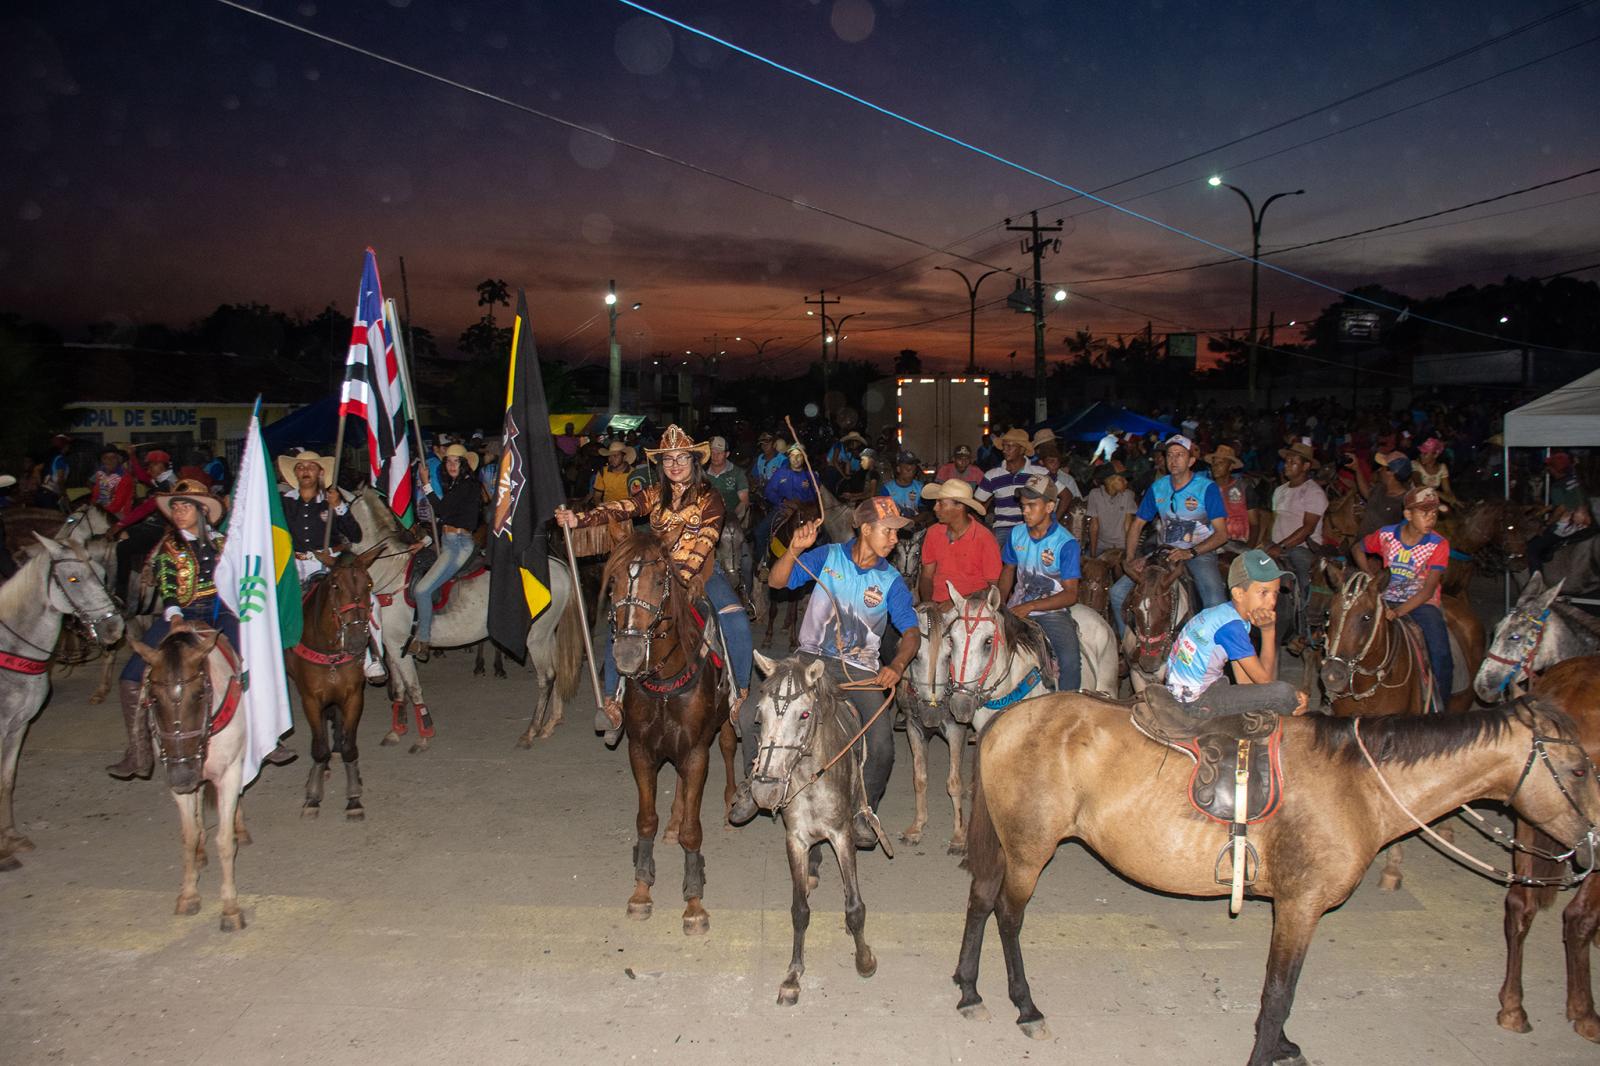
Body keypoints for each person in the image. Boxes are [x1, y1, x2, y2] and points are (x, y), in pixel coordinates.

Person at [731, 497, 919, 844]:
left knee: (882, 746)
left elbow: (910, 632)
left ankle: (865, 811)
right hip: (808, 660)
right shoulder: (827, 557)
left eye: (897, 533)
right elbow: (776, 582)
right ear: (865, 528)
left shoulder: (891, 580)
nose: (895, 539)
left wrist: (897, 664)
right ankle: (752, 783)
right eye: (888, 531)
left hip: (860, 671)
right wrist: (793, 550)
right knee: (749, 714)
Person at [554, 425, 754, 737]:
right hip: (656, 573)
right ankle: (613, 701)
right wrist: (579, 519)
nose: (675, 465)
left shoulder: (709, 497)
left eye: (682, 459)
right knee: (621, 620)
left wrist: (684, 578)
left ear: (693, 462)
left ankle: (740, 695)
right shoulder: (652, 494)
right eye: (669, 460)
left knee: (736, 620)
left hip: (701, 574)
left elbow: (706, 540)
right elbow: (621, 508)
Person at [109, 480, 238, 779]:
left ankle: (265, 738)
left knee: (251, 664)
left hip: (223, 611)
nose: (178, 512)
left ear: (202, 510)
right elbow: (168, 584)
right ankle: (138, 753)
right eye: (176, 508)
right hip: (183, 611)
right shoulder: (168, 546)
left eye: (185, 507)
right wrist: (176, 615)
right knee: (130, 678)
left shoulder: (225, 543)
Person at [1108, 435, 1230, 637]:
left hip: (1199, 553)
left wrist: (1190, 552)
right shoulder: (1158, 487)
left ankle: (1213, 655)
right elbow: (1137, 525)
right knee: (1117, 592)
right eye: (1169, 455)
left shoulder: (1207, 488)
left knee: (1214, 600)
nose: (1173, 460)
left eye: (1180, 455)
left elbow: (1222, 534)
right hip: (1164, 552)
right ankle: (1129, 646)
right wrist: (1130, 559)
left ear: (1191, 461)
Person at [1164, 548, 1307, 714]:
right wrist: (1268, 631)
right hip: (1194, 701)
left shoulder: (1223, 614)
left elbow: (1245, 682)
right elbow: (1267, 683)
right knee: (1283, 693)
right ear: (1239, 594)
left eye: (1275, 593)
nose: (1272, 602)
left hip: (1185, 690)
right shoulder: (1232, 627)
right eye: (1263, 592)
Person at [1352, 486, 1454, 708]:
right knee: (1351, 630)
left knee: (1440, 652)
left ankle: (1441, 707)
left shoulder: (1438, 544)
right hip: (1386, 597)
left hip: (1422, 604)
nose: (1431, 519)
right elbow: (1357, 548)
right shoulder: (1387, 535)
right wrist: (1371, 578)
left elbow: (1428, 589)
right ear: (1408, 515)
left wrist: (1398, 612)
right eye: (1424, 513)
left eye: (1434, 513)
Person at [998, 474, 1082, 692]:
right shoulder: (1016, 534)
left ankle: (1068, 706)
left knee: (1070, 661)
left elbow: (1071, 594)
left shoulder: (1065, 543)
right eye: (1023, 505)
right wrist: (998, 605)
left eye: (1032, 505)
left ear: (1050, 507)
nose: (1025, 511)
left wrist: (1031, 606)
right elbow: (1008, 570)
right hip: (1016, 606)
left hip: (1052, 611)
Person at [408, 444, 485, 663]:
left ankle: (423, 640)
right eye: (448, 461)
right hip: (448, 540)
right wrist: (425, 541)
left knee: (422, 590)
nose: (451, 465)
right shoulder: (456, 485)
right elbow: (447, 519)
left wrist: (426, 484)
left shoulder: (468, 485)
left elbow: (441, 511)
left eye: (456, 461)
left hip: (458, 545)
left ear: (464, 465)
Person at [1264, 442, 1327, 651]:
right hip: (1278, 545)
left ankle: (1305, 630)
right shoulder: (1280, 490)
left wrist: (1281, 547)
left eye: (1294, 462)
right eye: (1287, 461)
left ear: (1306, 466)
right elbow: (1274, 521)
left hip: (1303, 547)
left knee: (1302, 577)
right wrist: (1267, 544)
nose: (1287, 465)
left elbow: (1308, 528)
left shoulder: (1313, 493)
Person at [918, 478, 1001, 606]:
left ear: (959, 506)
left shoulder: (985, 538)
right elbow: (926, 576)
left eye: (941, 503)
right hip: (937, 604)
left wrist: (957, 603)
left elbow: (993, 588)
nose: (935, 508)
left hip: (973, 608)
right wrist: (929, 604)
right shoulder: (933, 532)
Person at [976, 428, 1046, 535]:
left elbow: (1066, 495)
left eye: (1010, 446)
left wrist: (1051, 520)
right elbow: (976, 504)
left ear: (1022, 450)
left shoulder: (1039, 473)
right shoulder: (992, 475)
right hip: (1003, 528)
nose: (1004, 450)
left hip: (1031, 527)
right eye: (1004, 446)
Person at [1203, 444, 1253, 548]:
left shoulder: (1243, 488)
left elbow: (1254, 523)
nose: (1215, 466)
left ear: (1231, 466)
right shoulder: (1205, 489)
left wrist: (1249, 549)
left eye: (1220, 463)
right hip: (1212, 541)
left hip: (1238, 541)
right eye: (1214, 463)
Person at [1353, 452, 1411, 537]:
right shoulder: (1381, 487)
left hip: (1377, 548)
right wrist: (1357, 468)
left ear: (1390, 472)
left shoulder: (1404, 502)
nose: (1379, 470)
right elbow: (1368, 495)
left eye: (1382, 468)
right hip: (1362, 543)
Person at [1085, 463, 1137, 557]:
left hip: (1122, 545)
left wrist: (1129, 553)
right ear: (1110, 481)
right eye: (1121, 479)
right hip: (1101, 545)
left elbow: (1128, 526)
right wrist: (1093, 554)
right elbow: (1094, 527)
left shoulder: (1128, 495)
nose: (1126, 482)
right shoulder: (1095, 495)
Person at [704, 436, 750, 524]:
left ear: (727, 454)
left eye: (719, 453)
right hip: (708, 518)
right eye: (712, 452)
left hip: (732, 517)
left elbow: (744, 501)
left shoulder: (737, 473)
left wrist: (732, 519)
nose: (715, 456)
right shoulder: (703, 474)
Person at [88, 445, 135, 521]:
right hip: (101, 511)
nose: (109, 460)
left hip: (118, 515)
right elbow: (95, 496)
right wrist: (92, 509)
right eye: (105, 458)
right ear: (102, 460)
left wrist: (99, 514)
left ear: (118, 459)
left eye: (113, 457)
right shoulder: (100, 474)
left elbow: (117, 505)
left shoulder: (125, 477)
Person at [588, 440, 636, 507]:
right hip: (607, 510)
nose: (611, 459)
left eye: (615, 456)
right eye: (609, 456)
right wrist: (602, 508)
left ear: (624, 456)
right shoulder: (603, 472)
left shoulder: (634, 473)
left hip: (627, 511)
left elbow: (637, 499)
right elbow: (597, 496)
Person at [1412, 437, 1457, 506]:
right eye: (1421, 453)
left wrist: (1452, 498)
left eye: (1425, 454)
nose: (1421, 456)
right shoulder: (1415, 465)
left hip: (1430, 499)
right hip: (1414, 500)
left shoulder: (1442, 467)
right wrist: (1442, 495)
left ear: (1435, 455)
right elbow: (1419, 485)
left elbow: (1447, 490)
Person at [879, 453, 926, 519]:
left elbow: (925, 510)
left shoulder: (920, 487)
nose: (911, 473)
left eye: (914, 470)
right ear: (898, 469)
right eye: (908, 470)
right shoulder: (887, 489)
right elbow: (884, 512)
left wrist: (914, 520)